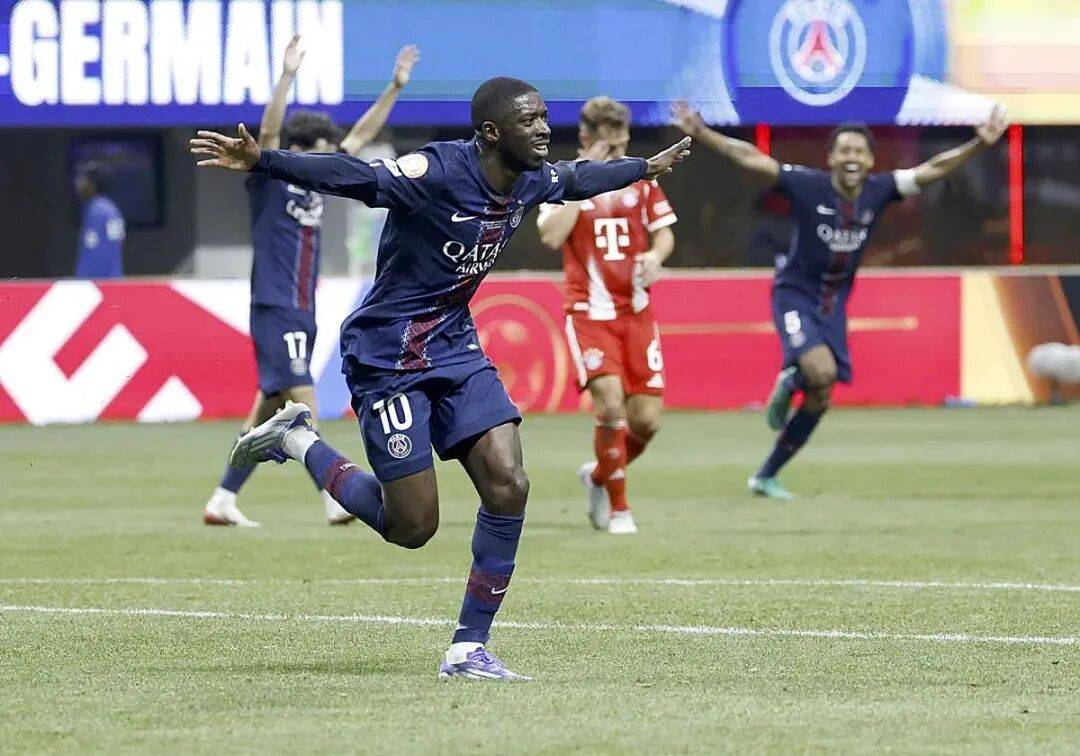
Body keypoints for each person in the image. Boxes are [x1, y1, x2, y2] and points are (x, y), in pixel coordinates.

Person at [191, 76, 691, 679]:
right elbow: (356, 177)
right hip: (387, 355)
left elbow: (579, 178)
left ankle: (467, 648)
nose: (542, 129)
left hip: (455, 346)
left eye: (543, 117)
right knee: (412, 526)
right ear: (491, 133)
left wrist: (644, 167)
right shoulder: (436, 171)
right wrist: (264, 161)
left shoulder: (532, 179)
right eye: (529, 120)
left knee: (509, 484)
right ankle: (297, 439)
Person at [672, 102, 1007, 499]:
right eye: (844, 150)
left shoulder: (880, 191)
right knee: (820, 370)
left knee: (822, 394)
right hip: (794, 294)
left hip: (832, 306)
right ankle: (792, 377)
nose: (852, 157)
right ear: (831, 158)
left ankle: (766, 475)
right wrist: (703, 133)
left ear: (870, 161)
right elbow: (752, 159)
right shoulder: (808, 185)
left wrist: (978, 145)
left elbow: (933, 169)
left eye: (859, 151)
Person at [202, 37, 420, 527]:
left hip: (302, 305)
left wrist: (394, 87)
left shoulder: (315, 181)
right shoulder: (270, 177)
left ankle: (222, 498)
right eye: (320, 152)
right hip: (275, 302)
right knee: (303, 400)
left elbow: (357, 140)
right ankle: (334, 494)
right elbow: (268, 133)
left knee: (266, 412)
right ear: (299, 151)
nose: (327, 162)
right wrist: (286, 76)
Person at [536, 97, 677, 535]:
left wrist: (655, 256)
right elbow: (551, 235)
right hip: (589, 314)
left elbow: (664, 234)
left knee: (646, 422)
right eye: (608, 141)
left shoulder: (643, 180)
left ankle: (598, 475)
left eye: (623, 139)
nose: (618, 149)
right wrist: (583, 181)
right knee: (611, 404)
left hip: (636, 313)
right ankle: (619, 510)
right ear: (586, 137)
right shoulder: (561, 178)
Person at [74, 162, 125, 279]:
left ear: (93, 184)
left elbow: (96, 253)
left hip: (99, 280)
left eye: (82, 179)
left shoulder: (97, 210)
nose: (78, 183)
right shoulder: (108, 207)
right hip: (111, 278)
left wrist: (83, 280)